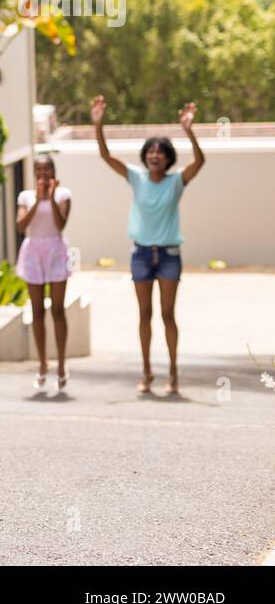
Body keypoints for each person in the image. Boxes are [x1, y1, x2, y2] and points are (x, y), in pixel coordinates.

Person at [91, 95, 205, 395]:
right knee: (144, 315)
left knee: (168, 315)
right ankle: (146, 372)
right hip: (141, 254)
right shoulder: (136, 177)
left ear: (168, 158)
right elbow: (105, 156)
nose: (155, 155)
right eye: (150, 151)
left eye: (160, 152)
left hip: (168, 255)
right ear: (145, 156)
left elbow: (200, 162)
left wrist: (189, 130)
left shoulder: (176, 181)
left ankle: (174, 373)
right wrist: (98, 124)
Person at [15, 155, 72, 391]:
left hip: (56, 251)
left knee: (57, 310)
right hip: (33, 253)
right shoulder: (26, 197)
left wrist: (49, 197)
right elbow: (20, 226)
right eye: (39, 170)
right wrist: (38, 201)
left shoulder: (63, 194)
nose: (43, 174)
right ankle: (42, 363)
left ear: (53, 171)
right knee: (37, 310)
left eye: (47, 169)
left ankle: (61, 363)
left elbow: (60, 224)